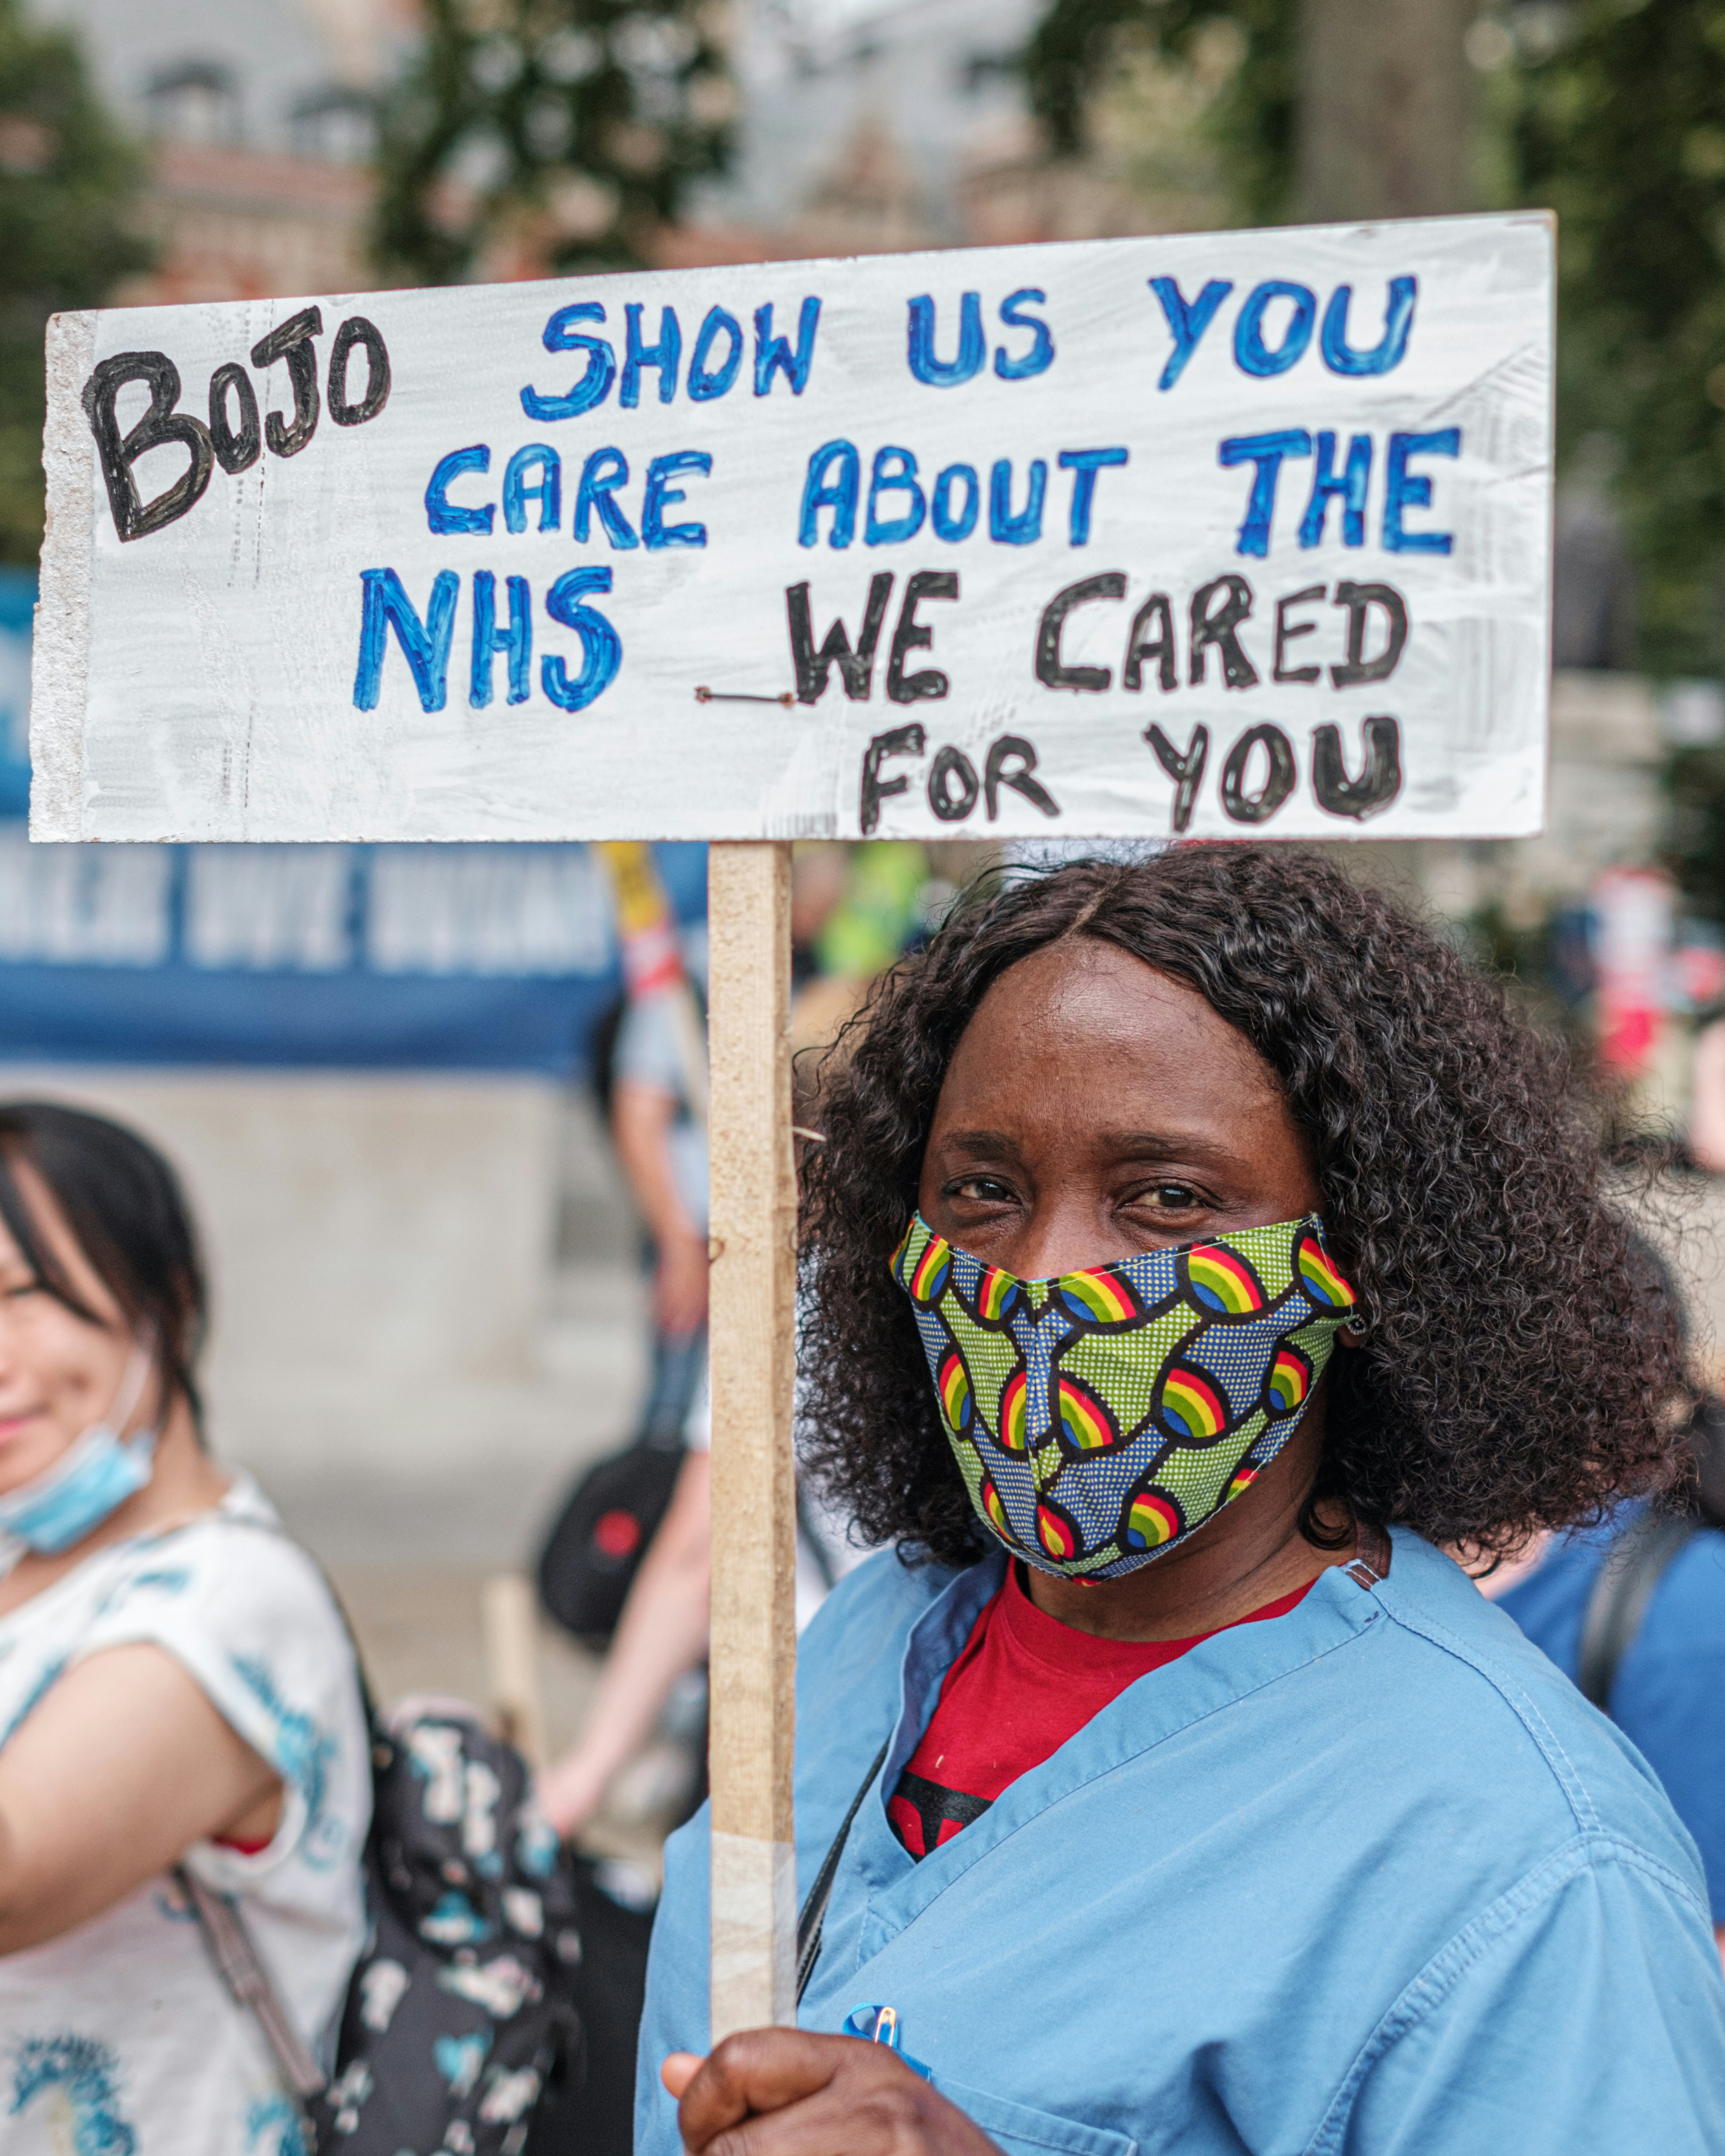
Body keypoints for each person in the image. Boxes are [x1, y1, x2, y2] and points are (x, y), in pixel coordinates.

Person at [637, 848, 1725, 2156]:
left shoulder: (1526, 1861)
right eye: (983, 1190)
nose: (1044, 1280)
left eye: (1166, 1197)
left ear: (1365, 1258)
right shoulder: (865, 1645)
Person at [0, 1102, 369, 2155]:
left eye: (25, 1296)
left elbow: (13, 1876)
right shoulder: (23, 1561)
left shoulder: (232, 1599)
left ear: (168, 1297)